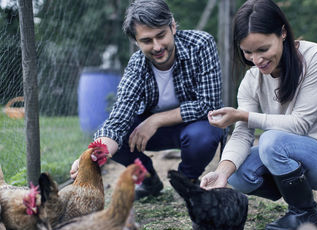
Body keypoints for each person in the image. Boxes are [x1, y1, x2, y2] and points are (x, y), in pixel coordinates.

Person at [201, 0, 317, 230]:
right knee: (238, 173)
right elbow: (242, 133)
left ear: (282, 32)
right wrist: (222, 172)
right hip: (288, 154)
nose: (256, 59)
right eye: (247, 51)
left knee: (271, 141)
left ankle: (304, 213)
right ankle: (292, 189)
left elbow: (299, 124)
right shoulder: (252, 79)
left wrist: (242, 114)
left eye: (263, 49)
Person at [70, 0, 224, 200]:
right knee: (119, 137)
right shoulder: (136, 66)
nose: (157, 46)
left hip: (192, 126)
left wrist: (155, 120)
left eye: (161, 35)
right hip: (149, 133)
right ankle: (147, 179)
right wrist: (88, 159)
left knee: (206, 133)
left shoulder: (201, 44)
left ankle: (186, 180)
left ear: (173, 26)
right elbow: (117, 122)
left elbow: (209, 104)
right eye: (147, 40)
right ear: (136, 41)